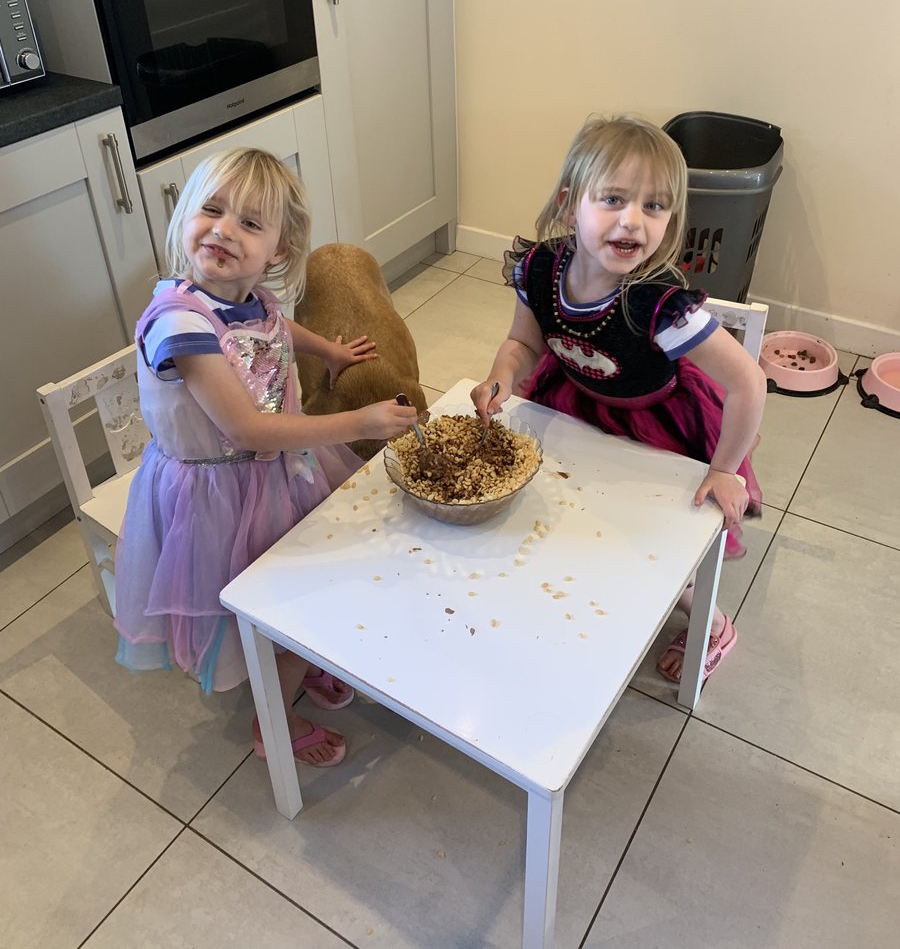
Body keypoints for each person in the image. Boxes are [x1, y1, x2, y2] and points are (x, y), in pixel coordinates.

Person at [114, 147, 420, 765]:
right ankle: (272, 718)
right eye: (213, 209)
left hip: (276, 477)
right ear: (186, 217)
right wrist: (359, 421)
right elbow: (250, 429)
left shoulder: (248, 298)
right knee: (280, 604)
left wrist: (328, 352)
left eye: (250, 223)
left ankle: (299, 665)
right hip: (219, 498)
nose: (225, 229)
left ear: (278, 250)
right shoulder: (181, 325)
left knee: (312, 580)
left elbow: (274, 328)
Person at [471, 115, 767, 684]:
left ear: (671, 223)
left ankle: (712, 623)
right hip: (573, 405)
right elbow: (522, 343)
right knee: (558, 520)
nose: (633, 220)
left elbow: (748, 383)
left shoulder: (659, 306)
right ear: (567, 207)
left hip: (658, 429)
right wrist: (503, 376)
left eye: (654, 207)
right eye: (612, 199)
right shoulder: (538, 270)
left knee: (653, 544)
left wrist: (726, 469)